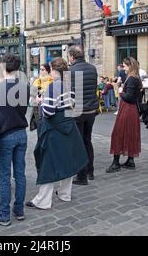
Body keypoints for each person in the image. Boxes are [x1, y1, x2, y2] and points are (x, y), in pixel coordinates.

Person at [26, 58, 88, 210]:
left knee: (48, 163)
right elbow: (75, 105)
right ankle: (64, 194)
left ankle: (42, 201)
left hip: (54, 128)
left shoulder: (53, 86)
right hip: (69, 125)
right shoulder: (71, 84)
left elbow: (48, 111)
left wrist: (40, 101)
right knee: (67, 160)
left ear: (54, 70)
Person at [0, 54, 29, 226]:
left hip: (5, 135)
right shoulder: (25, 87)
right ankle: (18, 209)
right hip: (21, 133)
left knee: (5, 176)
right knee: (20, 174)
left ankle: (4, 214)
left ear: (4, 68)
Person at [68, 46, 98, 185]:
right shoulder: (92, 68)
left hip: (78, 111)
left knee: (78, 143)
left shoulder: (70, 71)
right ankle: (90, 171)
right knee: (87, 140)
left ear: (72, 57)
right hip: (91, 110)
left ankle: (81, 176)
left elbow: (68, 94)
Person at [106, 57, 143, 173]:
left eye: (124, 66)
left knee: (118, 133)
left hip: (128, 109)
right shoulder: (134, 78)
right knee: (130, 133)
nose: (123, 68)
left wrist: (120, 90)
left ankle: (116, 163)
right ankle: (130, 161)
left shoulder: (132, 78)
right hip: (131, 109)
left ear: (130, 66)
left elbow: (130, 97)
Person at [30, 63, 54, 130]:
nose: (40, 71)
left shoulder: (52, 81)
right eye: (40, 69)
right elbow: (32, 95)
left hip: (49, 108)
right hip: (38, 109)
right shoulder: (37, 81)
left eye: (43, 69)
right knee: (40, 129)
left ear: (48, 71)